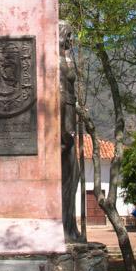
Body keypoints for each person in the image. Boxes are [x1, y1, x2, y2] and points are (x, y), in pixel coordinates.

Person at [59, 20, 81, 242]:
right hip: (65, 126)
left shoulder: (67, 59)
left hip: (70, 119)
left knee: (74, 176)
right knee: (69, 174)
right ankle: (65, 228)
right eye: (68, 34)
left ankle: (69, 226)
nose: (71, 39)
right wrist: (66, 131)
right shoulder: (56, 63)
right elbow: (59, 98)